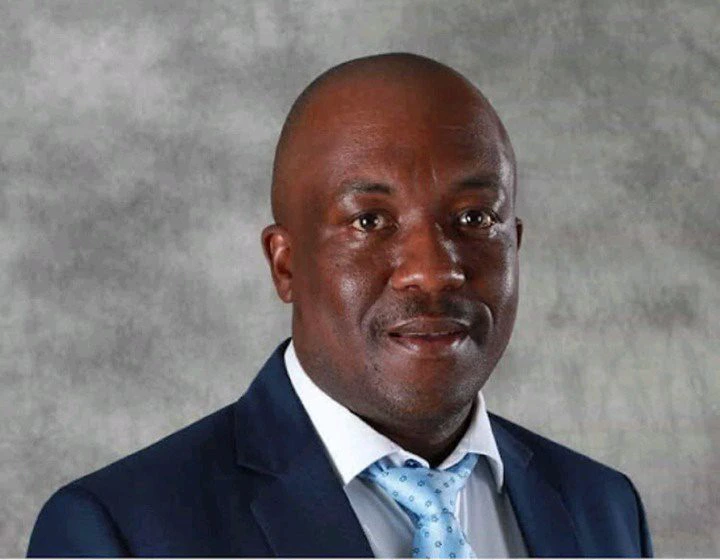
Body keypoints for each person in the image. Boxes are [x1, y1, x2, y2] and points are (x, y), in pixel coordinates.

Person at [27, 53, 653, 558]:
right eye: (369, 220)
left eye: (473, 218)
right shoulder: (120, 533)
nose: (433, 271)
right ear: (286, 265)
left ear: (514, 244)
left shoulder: (604, 509)